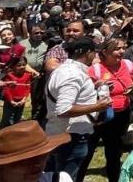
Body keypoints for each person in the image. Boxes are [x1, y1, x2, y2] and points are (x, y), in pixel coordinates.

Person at [45, 36, 112, 180]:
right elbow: (63, 110)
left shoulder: (67, 71)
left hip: (61, 134)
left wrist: (94, 88)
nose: (96, 56)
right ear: (88, 52)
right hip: (70, 138)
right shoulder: (72, 74)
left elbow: (71, 96)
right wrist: (98, 106)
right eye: (95, 52)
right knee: (65, 178)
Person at [77, 38, 133, 182]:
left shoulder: (128, 64)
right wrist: (97, 86)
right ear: (105, 52)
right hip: (99, 117)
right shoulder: (95, 69)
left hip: (121, 115)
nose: (121, 51)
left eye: (123, 48)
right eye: (117, 49)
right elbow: (83, 94)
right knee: (87, 152)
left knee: (114, 152)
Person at [0, 120, 70, 182]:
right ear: (0, 168)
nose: (37, 164)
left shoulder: (58, 179)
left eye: (41, 156)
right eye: (24, 161)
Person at [0, 56, 32, 127]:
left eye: (24, 65)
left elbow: (28, 88)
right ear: (13, 66)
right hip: (9, 101)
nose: (22, 67)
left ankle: (15, 135)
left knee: (17, 119)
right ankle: (2, 134)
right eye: (19, 65)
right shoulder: (9, 75)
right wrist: (11, 101)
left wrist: (23, 100)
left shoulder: (27, 75)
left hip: (21, 101)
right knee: (6, 119)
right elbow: (6, 89)